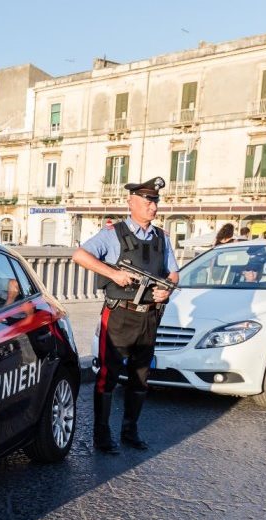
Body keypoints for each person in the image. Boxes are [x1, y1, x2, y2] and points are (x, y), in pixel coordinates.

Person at [72, 176, 180, 453]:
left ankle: (130, 431)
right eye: (147, 200)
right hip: (120, 314)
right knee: (108, 375)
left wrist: (167, 290)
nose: (152, 206)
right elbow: (80, 256)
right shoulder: (112, 233)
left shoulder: (161, 238)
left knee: (141, 377)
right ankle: (102, 435)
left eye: (155, 200)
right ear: (130, 202)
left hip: (149, 316)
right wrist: (113, 274)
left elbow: (173, 273)